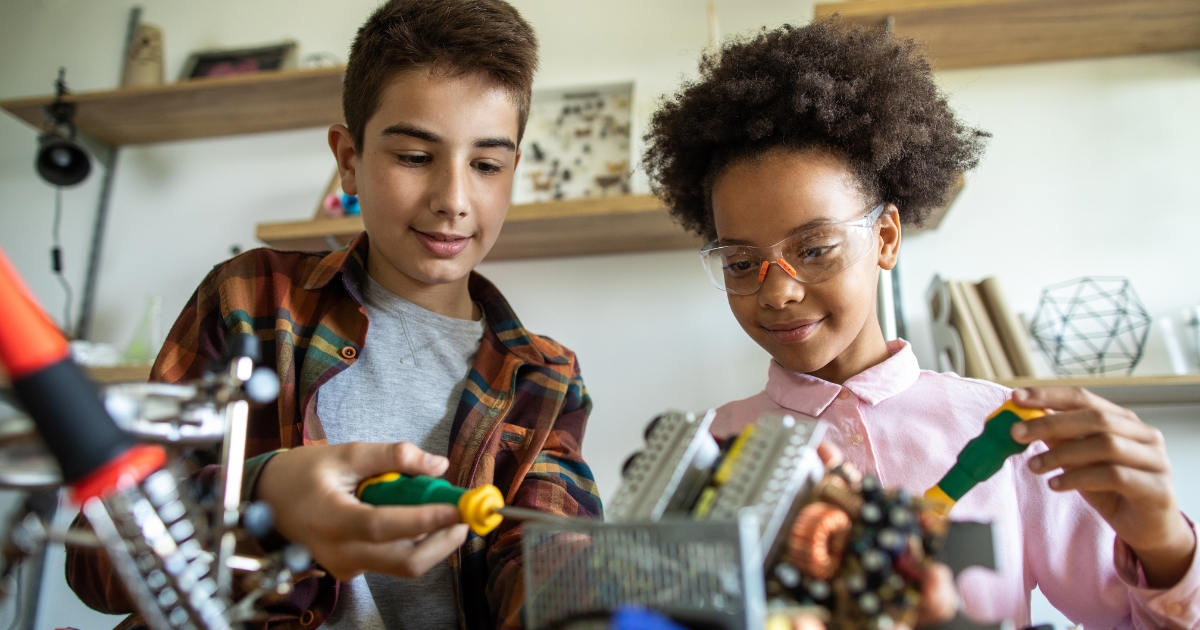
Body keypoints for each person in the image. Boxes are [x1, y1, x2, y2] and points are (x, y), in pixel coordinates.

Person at [643, 19, 1197, 629]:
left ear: (884, 237)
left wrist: (1167, 549)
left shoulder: (1003, 433)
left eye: (815, 248)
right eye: (743, 262)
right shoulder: (710, 450)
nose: (777, 291)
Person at [66, 1, 602, 628]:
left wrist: (578, 598)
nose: (454, 200)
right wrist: (261, 498)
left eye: (486, 165)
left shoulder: (545, 374)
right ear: (348, 158)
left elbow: (551, 554)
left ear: (513, 169)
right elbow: (97, 556)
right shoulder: (250, 299)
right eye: (413, 156)